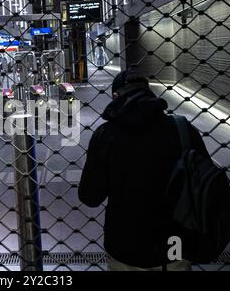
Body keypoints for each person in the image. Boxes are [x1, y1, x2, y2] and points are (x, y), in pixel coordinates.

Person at [78, 69, 210, 271]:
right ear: (149, 93)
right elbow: (205, 184)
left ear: (115, 97)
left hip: (126, 247)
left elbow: (90, 196)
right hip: (174, 245)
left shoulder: (106, 135)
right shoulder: (182, 129)